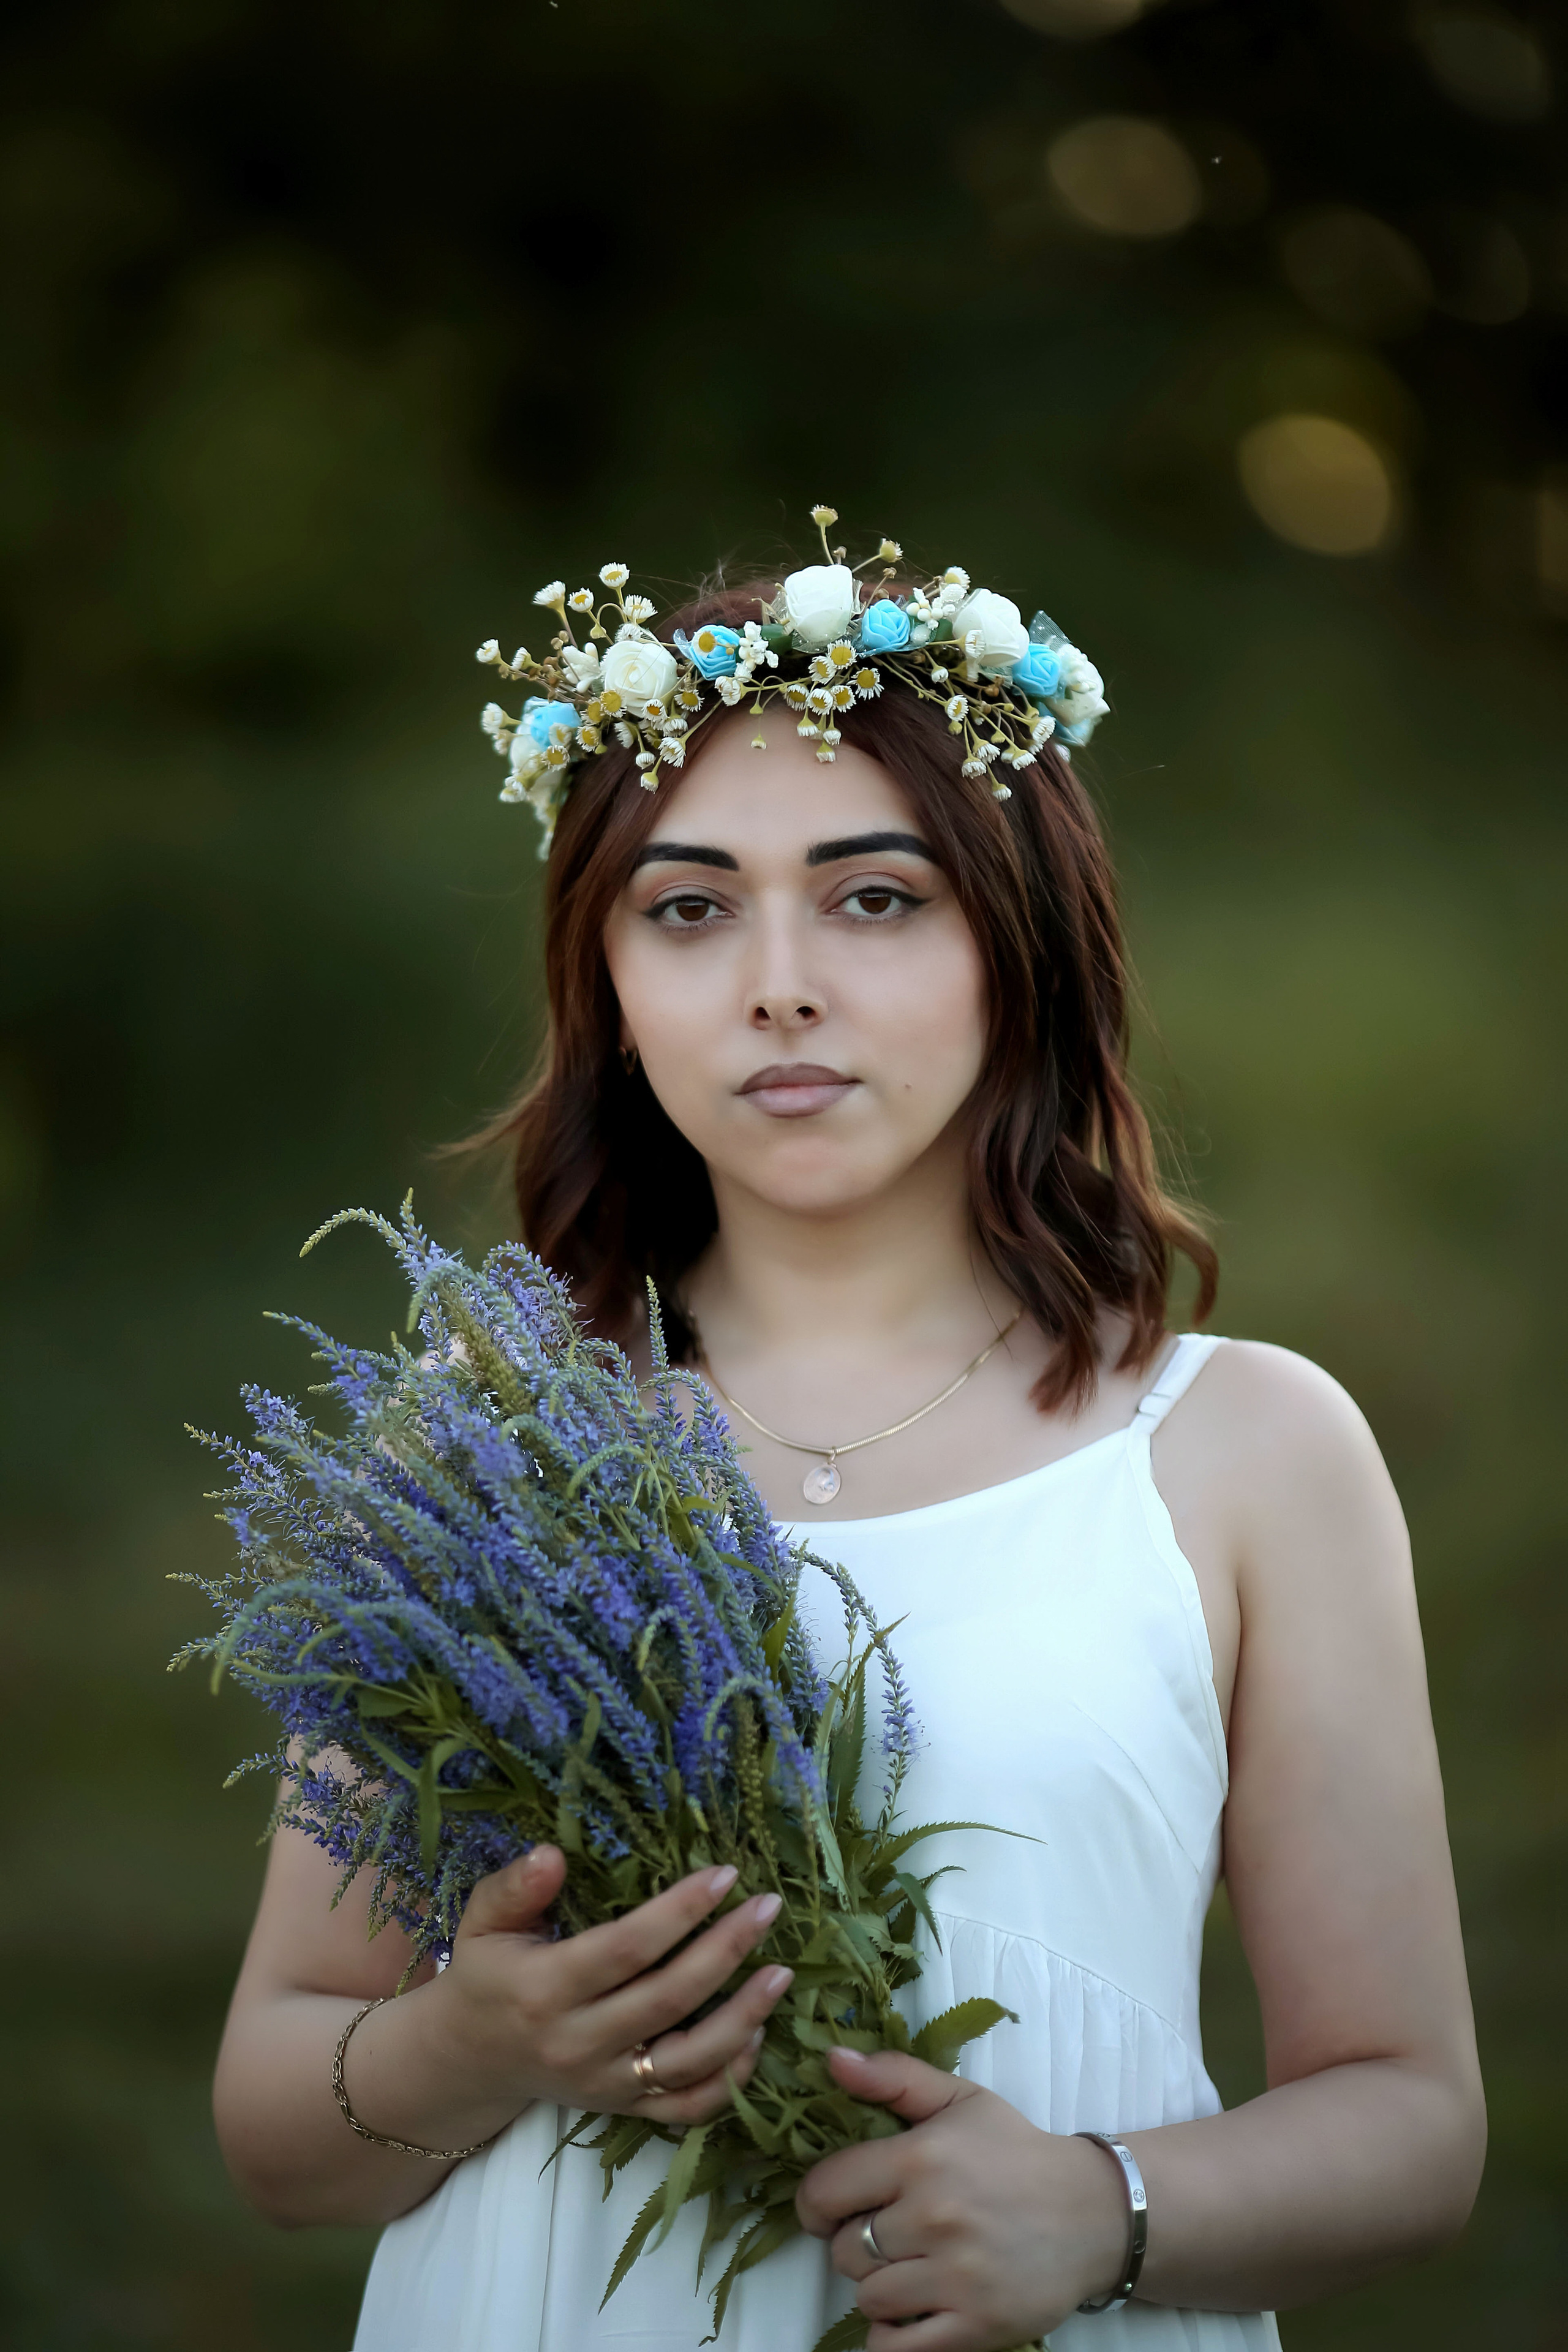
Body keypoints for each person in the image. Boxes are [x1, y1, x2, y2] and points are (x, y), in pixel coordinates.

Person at [213, 532, 1485, 2351]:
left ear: (1017, 945)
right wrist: (471, 2041)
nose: (779, 986)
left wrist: (1101, 2209)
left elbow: (1417, 2125)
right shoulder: (487, 1464)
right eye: (690, 907)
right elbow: (280, 2125)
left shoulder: (1247, 1454)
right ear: (613, 983)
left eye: (875, 898)